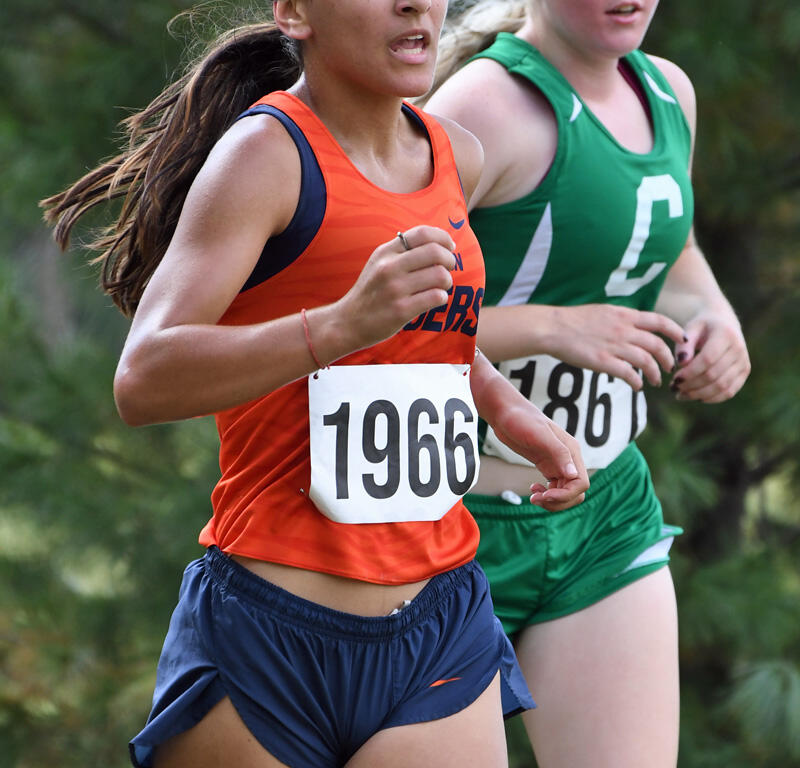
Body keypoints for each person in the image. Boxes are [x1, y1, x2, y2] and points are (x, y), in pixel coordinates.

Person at [41, 1, 591, 767]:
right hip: (270, 641)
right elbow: (144, 377)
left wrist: (504, 407)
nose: (415, 4)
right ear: (296, 11)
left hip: (438, 622)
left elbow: (431, 329)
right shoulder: (265, 156)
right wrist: (336, 326)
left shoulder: (455, 155)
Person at [424, 1, 751, 766]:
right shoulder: (482, 107)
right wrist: (549, 326)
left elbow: (667, 247)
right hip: (447, 522)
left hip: (604, 509)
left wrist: (715, 315)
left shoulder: (668, 92)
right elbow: (373, 313)